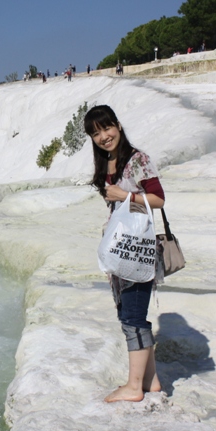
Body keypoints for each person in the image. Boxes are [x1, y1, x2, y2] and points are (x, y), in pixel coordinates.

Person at [84, 104, 165, 403]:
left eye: (106, 128)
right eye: (95, 133)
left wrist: (126, 195)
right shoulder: (108, 163)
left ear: (117, 125)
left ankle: (133, 388)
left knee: (133, 317)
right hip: (121, 249)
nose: (104, 136)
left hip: (138, 247)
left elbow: (158, 199)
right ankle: (150, 381)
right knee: (128, 311)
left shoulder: (137, 159)